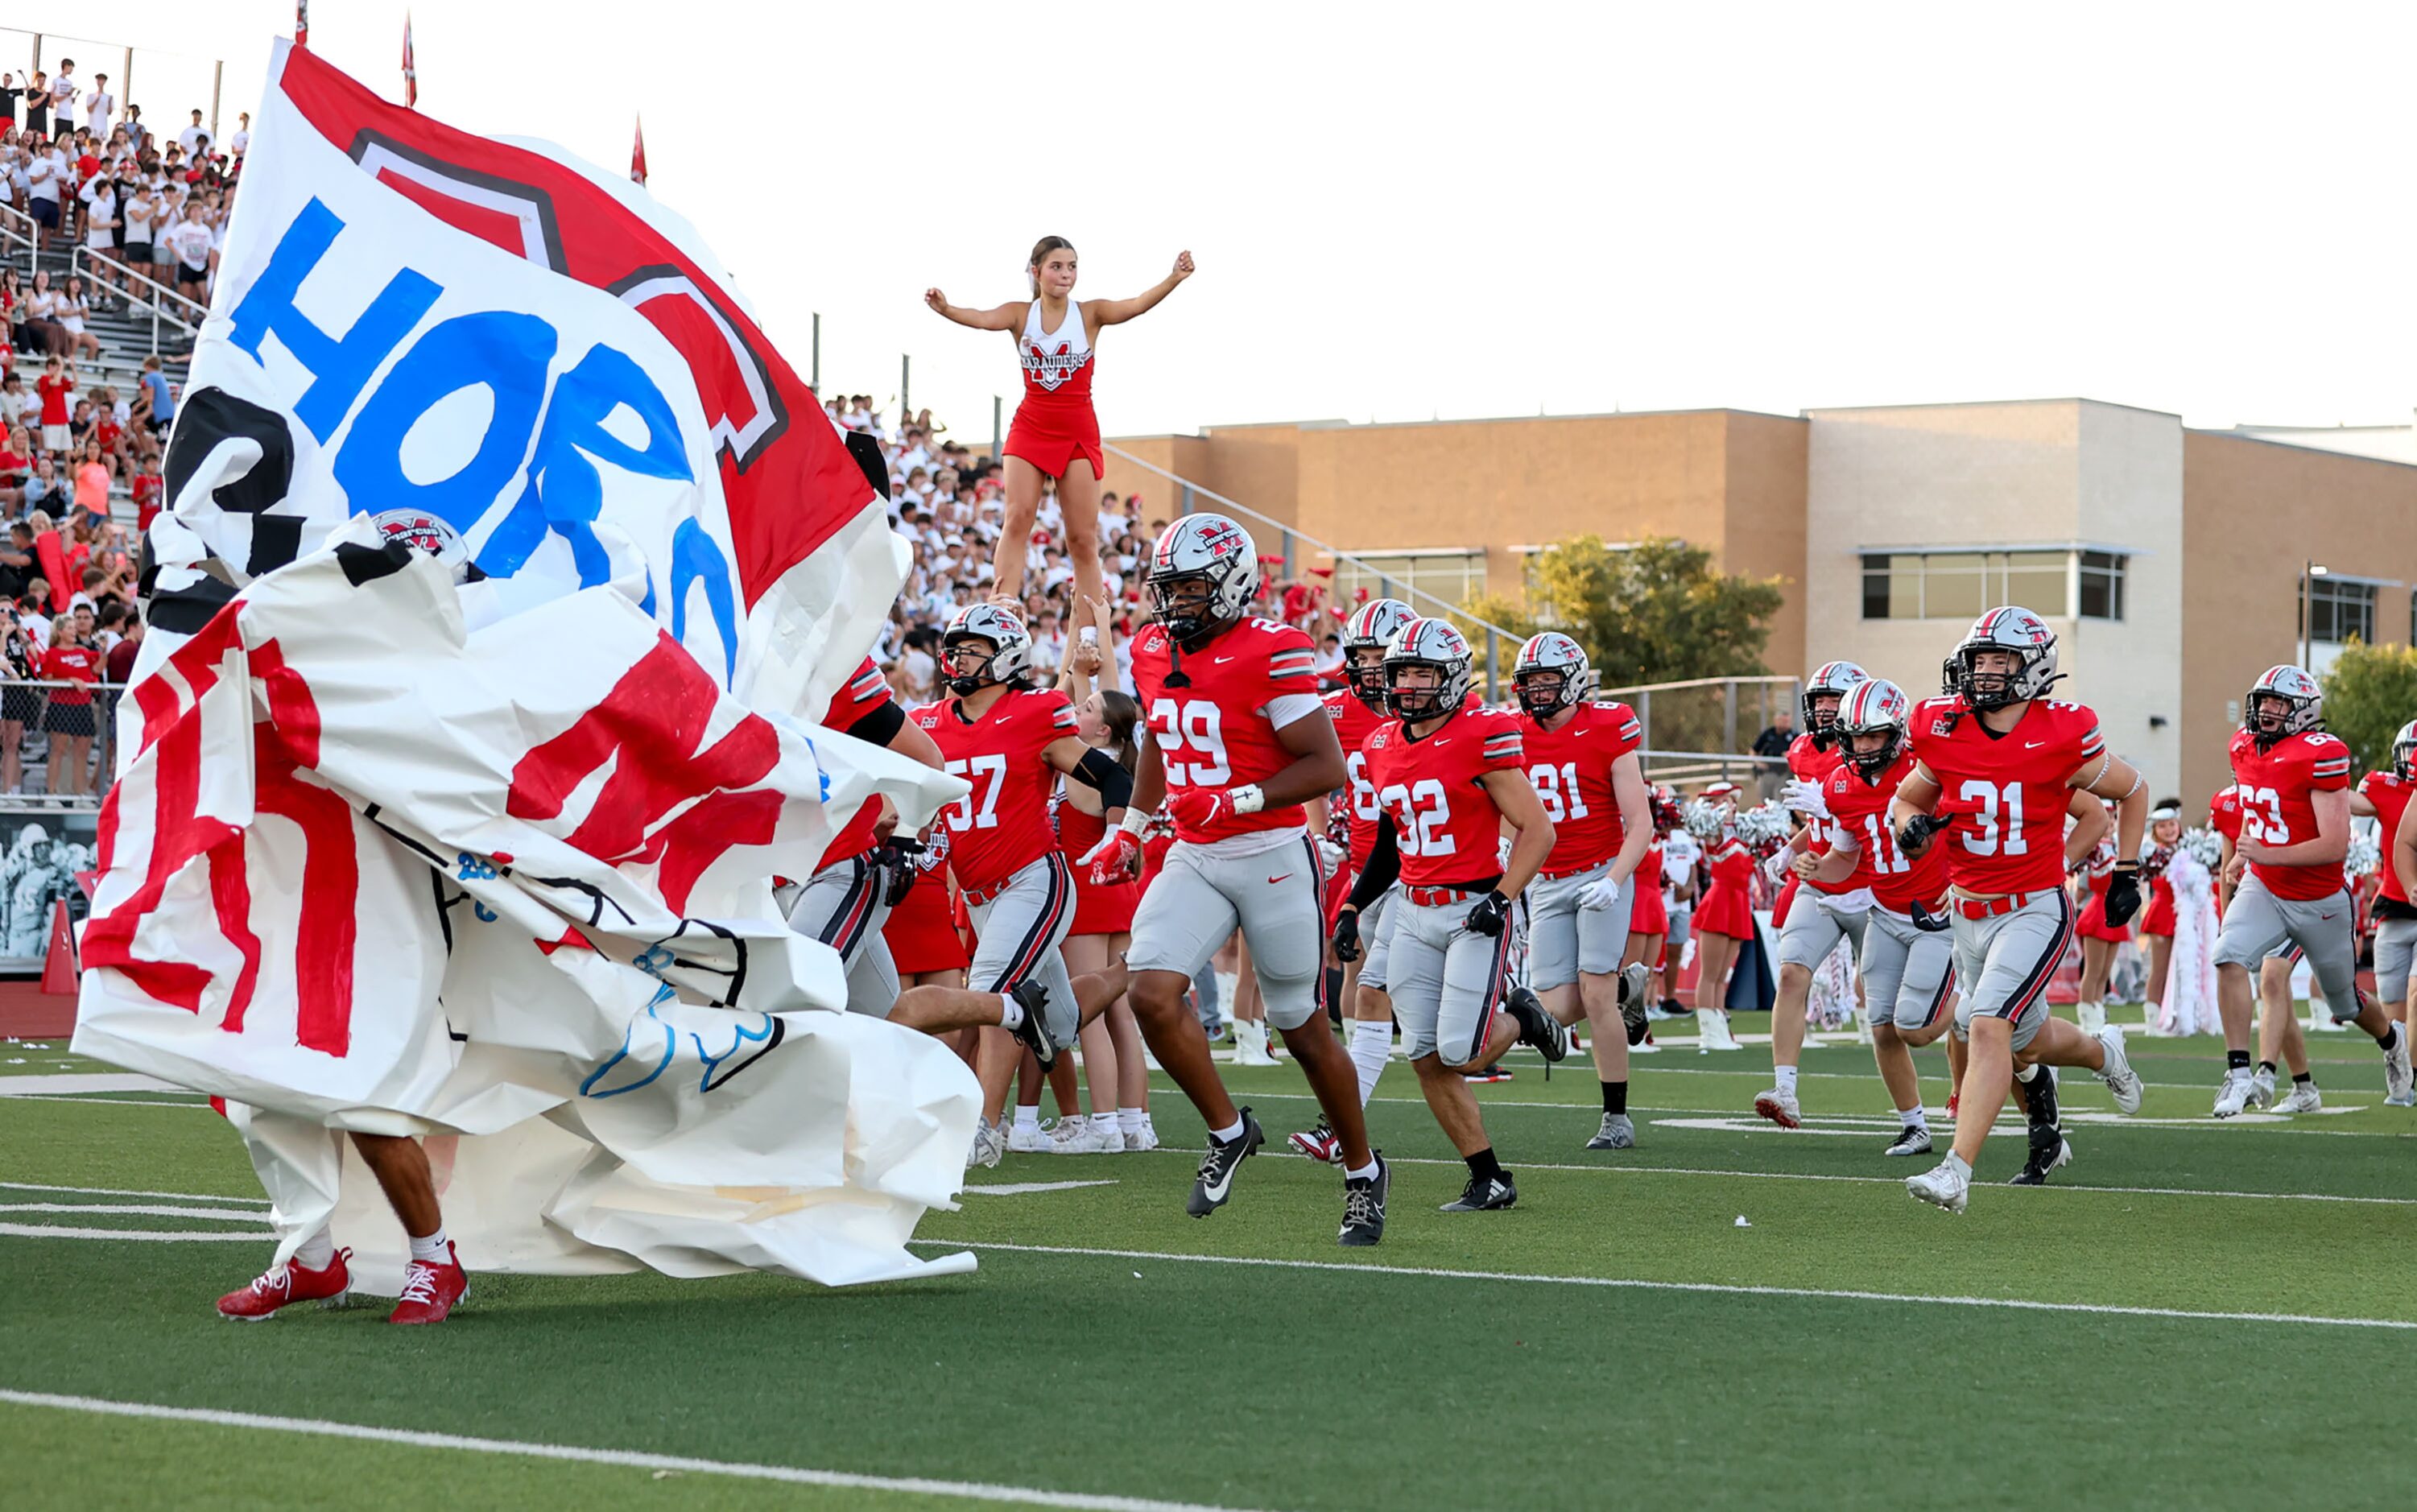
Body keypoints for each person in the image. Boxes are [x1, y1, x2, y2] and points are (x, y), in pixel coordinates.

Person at [1113, 513, 1386, 1245]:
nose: (1177, 604)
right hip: (1197, 852)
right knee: (1149, 989)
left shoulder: (1274, 650)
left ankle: (1363, 1170)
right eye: (1168, 589)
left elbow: (1323, 767)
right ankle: (1229, 1129)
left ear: (1234, 582)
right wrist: (1131, 830)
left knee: (1301, 1028)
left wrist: (1234, 796)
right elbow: (1157, 742)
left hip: (1268, 851)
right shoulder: (1149, 647)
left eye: (1193, 587)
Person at [1890, 607, 2151, 1212]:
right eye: (1979, 659)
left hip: (2034, 908)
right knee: (2024, 1042)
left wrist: (2127, 868)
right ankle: (2104, 1053)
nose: (1984, 673)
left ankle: (1957, 1171)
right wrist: (1912, 829)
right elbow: (1907, 799)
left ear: (2034, 668)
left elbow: (2132, 789)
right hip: (1968, 912)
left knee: (1985, 1026)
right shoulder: (1941, 723)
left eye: (2000, 660)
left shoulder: (2062, 730)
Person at [884, 603, 1136, 1165]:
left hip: (1032, 880)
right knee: (1060, 1019)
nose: (957, 658)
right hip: (976, 895)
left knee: (997, 994)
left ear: (1006, 658)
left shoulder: (1036, 712)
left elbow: (1113, 773)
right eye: (954, 648)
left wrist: (1119, 835)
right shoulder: (928, 722)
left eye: (972, 649)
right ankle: (1130, 974)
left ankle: (984, 1129)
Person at [1336, 618, 1562, 1213]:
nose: (1407, 684)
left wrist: (1503, 897)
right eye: (1400, 672)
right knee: (1425, 1055)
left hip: (1474, 908)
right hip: (1411, 908)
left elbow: (1538, 830)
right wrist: (1354, 903)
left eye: (1421, 672)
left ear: (1453, 677)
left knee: (1463, 1053)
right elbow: (1391, 841)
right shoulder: (1381, 743)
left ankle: (1522, 1016)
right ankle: (1489, 1176)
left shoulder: (1481, 733)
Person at [923, 238, 1195, 607]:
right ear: (1036, 271)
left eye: (1072, 266)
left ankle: (1089, 626)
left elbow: (1134, 306)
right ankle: (1003, 603)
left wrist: (1173, 278)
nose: (1065, 274)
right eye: (1056, 266)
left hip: (1077, 432)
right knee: (1018, 517)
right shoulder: (1021, 314)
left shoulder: (1089, 314)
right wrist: (946, 309)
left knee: (1082, 537)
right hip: (1030, 427)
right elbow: (983, 319)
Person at [2208, 667, 2412, 1115]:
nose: (2266, 711)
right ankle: (2239, 1074)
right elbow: (2256, 803)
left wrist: (2261, 851)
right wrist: (2247, 853)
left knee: (2345, 1001)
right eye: (2263, 702)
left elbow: (2333, 845)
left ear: (2303, 712)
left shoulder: (2319, 754)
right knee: (2227, 956)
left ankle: (2392, 1041)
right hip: (2265, 887)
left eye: (2278, 703)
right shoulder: (2243, 745)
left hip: (2319, 899)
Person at [1505, 631, 1655, 1148]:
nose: (1539, 691)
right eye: (1531, 682)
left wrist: (1614, 882)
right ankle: (1627, 990)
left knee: (1593, 993)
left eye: (1548, 680)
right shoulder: (1511, 732)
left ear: (1572, 681)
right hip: (1547, 881)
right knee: (1557, 1010)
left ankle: (1616, 1119)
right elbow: (1505, 815)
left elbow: (1640, 823)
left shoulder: (1608, 726)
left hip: (1600, 870)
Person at [1290, 597, 1415, 1165]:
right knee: (1358, 981)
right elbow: (1312, 773)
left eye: (1377, 656)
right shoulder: (1336, 710)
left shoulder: (1428, 716)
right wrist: (1320, 834)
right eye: (1360, 655)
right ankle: (1344, 1120)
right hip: (1368, 868)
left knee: (1388, 999)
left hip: (1423, 870)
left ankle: (1344, 1123)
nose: (1366, 666)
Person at [782, 655, 945, 1019]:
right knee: (887, 1015)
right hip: (772, 873)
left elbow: (927, 760)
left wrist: (905, 837)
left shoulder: (837, 664)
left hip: (836, 864)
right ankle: (1009, 1009)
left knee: (793, 1004)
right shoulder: (738, 651)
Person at [1047, 593, 1152, 1154]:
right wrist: (1098, 630)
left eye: (1088, 712)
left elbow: (1055, 705)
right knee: (1122, 1014)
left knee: (1088, 1013)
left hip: (1087, 892)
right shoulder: (1119, 758)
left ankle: (1105, 1124)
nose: (1079, 709)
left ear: (1101, 731)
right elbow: (1109, 696)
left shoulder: (1085, 767)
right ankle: (1136, 1122)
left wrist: (1075, 641)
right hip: (1121, 892)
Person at [1751, 660, 1870, 1124]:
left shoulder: (1872, 751)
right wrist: (1788, 850)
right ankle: (1785, 1089)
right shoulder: (1800, 750)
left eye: (1833, 700)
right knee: (1791, 975)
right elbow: (1819, 821)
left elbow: (1868, 821)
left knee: (1897, 1015)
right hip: (1817, 882)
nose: (1823, 709)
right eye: (1818, 701)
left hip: (1871, 889)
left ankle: (1926, 1109)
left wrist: (1837, 812)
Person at [2352, 720, 2416, 1106]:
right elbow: (2346, 801)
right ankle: (2401, 1075)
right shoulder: (2383, 786)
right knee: (2391, 997)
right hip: (2393, 905)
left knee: (2415, 990)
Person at [35, 611, 100, 796]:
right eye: (70, 628)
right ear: (61, 631)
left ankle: (80, 793)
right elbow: (47, 679)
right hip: (61, 705)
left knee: (82, 751)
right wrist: (69, 680)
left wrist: (104, 652)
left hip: (83, 704)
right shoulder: (52, 654)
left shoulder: (83, 651)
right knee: (58, 749)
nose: (75, 631)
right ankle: (52, 793)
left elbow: (96, 670)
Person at [1751, 708, 1795, 799]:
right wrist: (1758, 763)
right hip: (1767, 772)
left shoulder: (1793, 735)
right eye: (1783, 721)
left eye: (1788, 721)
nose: (1786, 724)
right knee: (1765, 798)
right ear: (1776, 721)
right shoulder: (1768, 734)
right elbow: (1753, 750)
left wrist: (1788, 755)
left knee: (1779, 798)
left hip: (1783, 774)